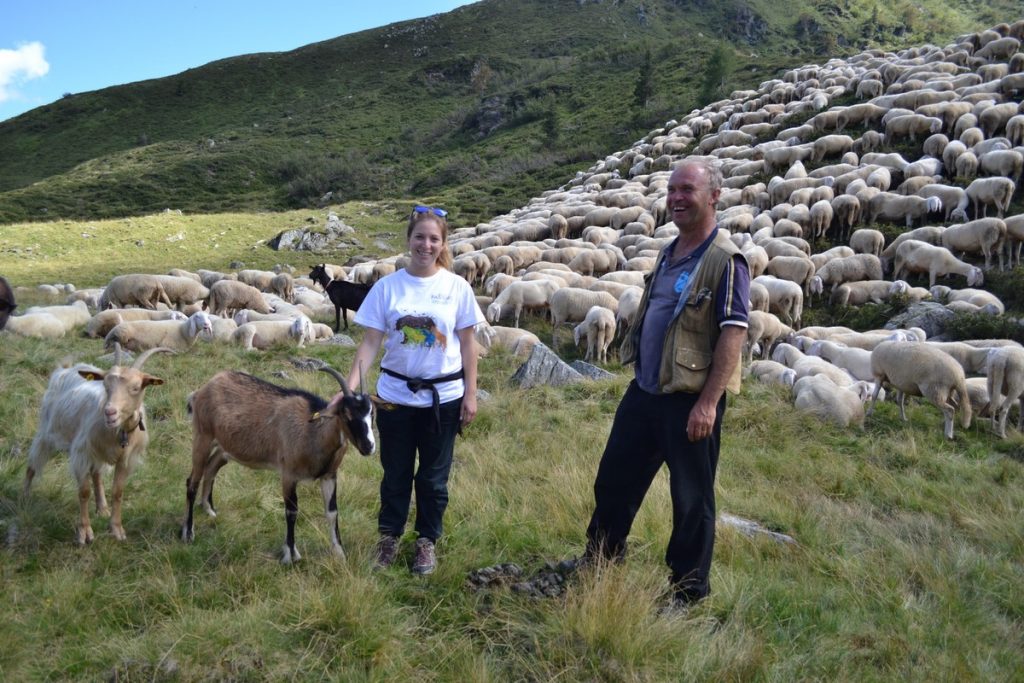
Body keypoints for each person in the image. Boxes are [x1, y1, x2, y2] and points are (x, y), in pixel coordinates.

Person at [580, 158, 750, 607]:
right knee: (614, 480)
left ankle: (688, 590)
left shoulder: (725, 261)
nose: (676, 197)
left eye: (687, 190)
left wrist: (709, 403)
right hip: (646, 391)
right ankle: (600, 560)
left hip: (689, 399)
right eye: (672, 189)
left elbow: (734, 332)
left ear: (713, 196)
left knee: (692, 499)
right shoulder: (668, 250)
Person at [345, 205, 485, 575]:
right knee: (395, 473)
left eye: (433, 239)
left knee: (433, 477)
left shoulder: (457, 287)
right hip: (393, 398)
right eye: (419, 237)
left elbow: (469, 344)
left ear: (443, 244)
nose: (426, 244)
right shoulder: (387, 287)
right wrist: (348, 390)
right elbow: (370, 344)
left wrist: (471, 394)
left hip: (444, 398)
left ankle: (426, 541)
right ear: (408, 240)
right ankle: (388, 537)